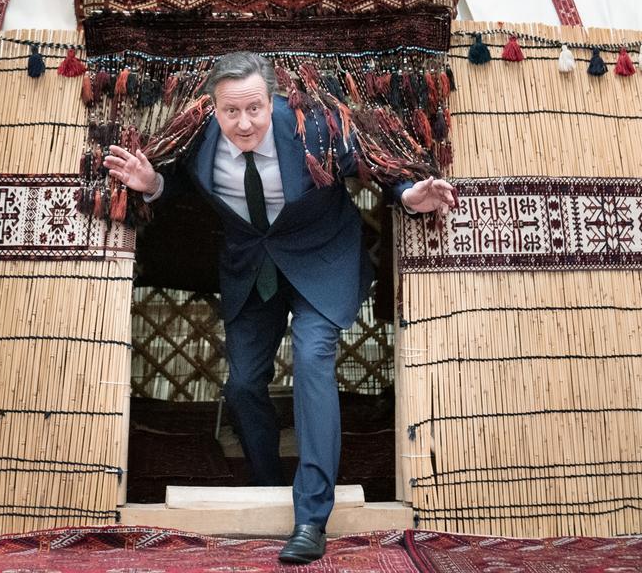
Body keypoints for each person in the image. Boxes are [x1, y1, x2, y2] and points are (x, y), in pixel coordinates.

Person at [104, 51, 456, 563]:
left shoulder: (316, 130)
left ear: (271, 101)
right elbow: (176, 179)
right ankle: (266, 483)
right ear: (214, 108)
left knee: (313, 357)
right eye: (231, 112)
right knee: (243, 384)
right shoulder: (199, 137)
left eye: (254, 109)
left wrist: (408, 195)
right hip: (251, 267)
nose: (243, 123)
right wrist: (151, 184)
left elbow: (374, 163)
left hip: (320, 258)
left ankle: (311, 515)